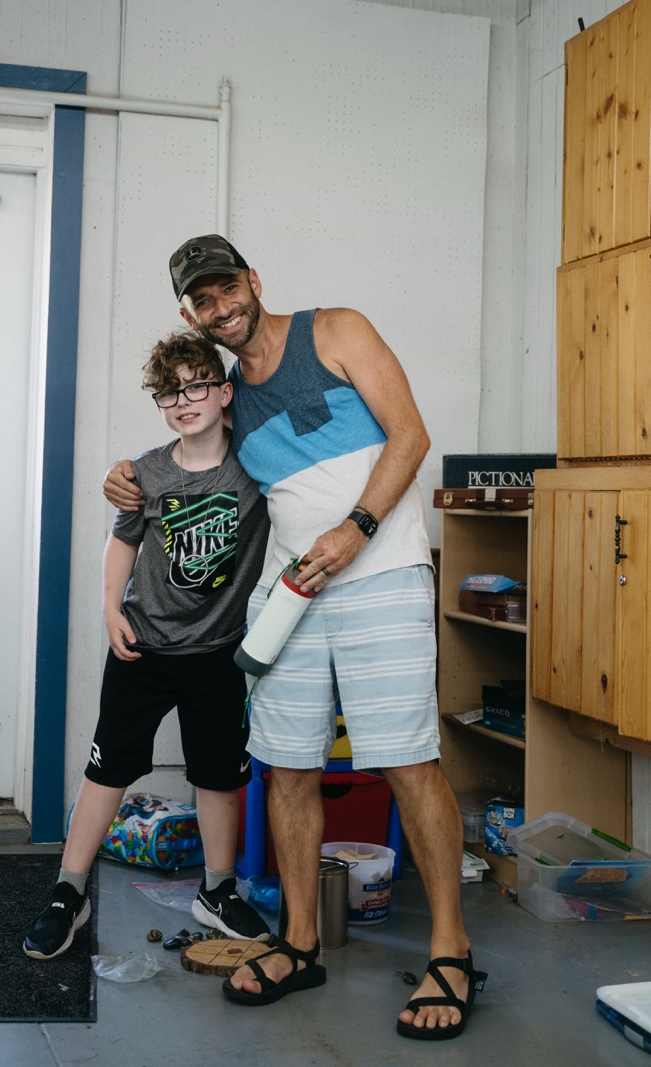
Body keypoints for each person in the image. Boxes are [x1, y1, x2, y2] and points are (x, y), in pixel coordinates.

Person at [103, 234, 486, 1040]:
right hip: (291, 596)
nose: (220, 308)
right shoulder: (229, 398)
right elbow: (189, 453)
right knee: (285, 766)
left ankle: (450, 952)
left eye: (226, 288)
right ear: (190, 314)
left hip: (379, 574)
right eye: (202, 301)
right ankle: (301, 944)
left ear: (253, 280)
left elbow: (410, 437)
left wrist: (355, 530)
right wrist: (125, 478)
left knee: (406, 760)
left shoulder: (336, 330)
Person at [24, 328, 271, 960]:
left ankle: (217, 890)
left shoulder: (257, 466)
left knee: (219, 771)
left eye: (196, 387)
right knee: (109, 765)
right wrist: (109, 608)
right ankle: (68, 893)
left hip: (218, 649)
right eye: (168, 393)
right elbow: (124, 541)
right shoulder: (146, 472)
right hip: (144, 647)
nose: (183, 401)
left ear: (223, 392)